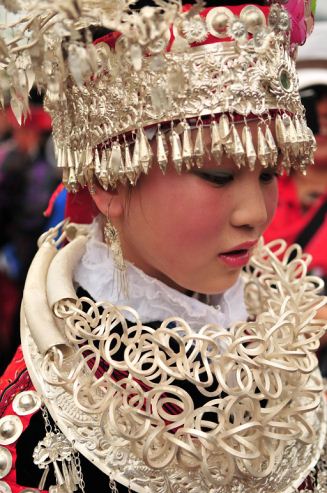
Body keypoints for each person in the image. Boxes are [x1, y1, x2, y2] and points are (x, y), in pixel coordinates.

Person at [0, 1, 325, 493]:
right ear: (111, 182)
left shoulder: (276, 324)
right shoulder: (46, 414)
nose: (256, 213)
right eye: (217, 174)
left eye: (267, 174)